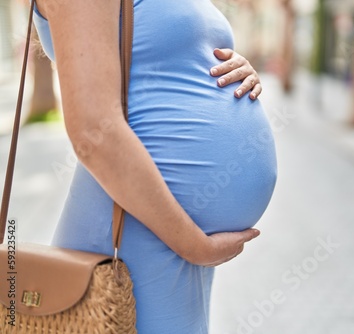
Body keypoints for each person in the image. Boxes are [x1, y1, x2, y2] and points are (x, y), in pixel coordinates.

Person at [31, 0, 278, 332]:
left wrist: (233, 67)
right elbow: (94, 131)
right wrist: (194, 246)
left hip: (173, 236)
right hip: (132, 236)